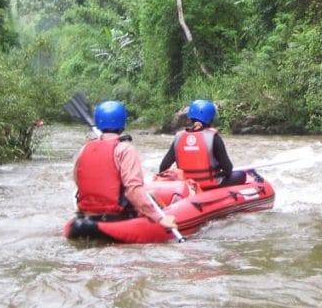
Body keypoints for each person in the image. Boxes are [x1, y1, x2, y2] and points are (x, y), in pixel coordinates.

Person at [73, 100, 177, 232]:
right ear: (122, 124)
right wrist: (160, 218)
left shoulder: (85, 149)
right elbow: (134, 190)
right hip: (116, 217)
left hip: (85, 215)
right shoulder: (125, 150)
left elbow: (78, 180)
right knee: (151, 195)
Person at [159, 99, 246, 189]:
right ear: (210, 119)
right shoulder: (213, 137)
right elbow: (228, 168)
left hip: (187, 185)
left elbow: (163, 167)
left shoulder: (179, 137)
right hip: (211, 184)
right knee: (241, 175)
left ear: (191, 117)